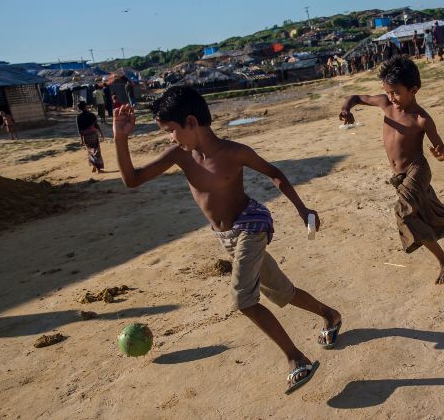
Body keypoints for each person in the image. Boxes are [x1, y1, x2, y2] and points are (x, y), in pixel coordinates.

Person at [112, 85, 342, 393]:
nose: (170, 138)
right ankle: (330, 315)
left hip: (252, 225)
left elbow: (275, 174)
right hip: (227, 237)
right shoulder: (181, 156)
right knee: (282, 292)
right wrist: (120, 137)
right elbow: (132, 179)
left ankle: (296, 359)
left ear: (191, 122)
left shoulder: (234, 153)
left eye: (171, 131)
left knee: (243, 299)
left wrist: (302, 209)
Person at [338, 55, 444, 284]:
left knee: (404, 213)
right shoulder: (385, 104)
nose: (392, 98)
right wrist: (346, 108)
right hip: (399, 177)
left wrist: (440, 155)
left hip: (418, 171)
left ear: (414, 90)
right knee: (436, 219)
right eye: (388, 92)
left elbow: (441, 150)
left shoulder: (422, 119)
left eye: (396, 92)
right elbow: (355, 97)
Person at [76, 101, 105, 173]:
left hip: (86, 136)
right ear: (86, 106)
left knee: (90, 151)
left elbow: (80, 130)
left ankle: (94, 166)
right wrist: (101, 134)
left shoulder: (78, 117)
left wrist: (82, 140)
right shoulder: (92, 115)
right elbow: (96, 125)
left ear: (79, 108)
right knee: (97, 151)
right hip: (94, 135)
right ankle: (98, 169)